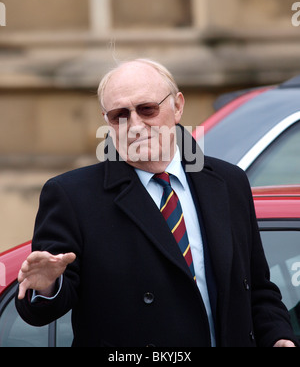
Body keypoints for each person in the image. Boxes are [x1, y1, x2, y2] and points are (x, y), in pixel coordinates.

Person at [16, 59, 298, 347]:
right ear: (107, 121)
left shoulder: (229, 182)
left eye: (147, 109)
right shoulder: (72, 195)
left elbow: (259, 289)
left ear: (177, 107)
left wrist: (279, 338)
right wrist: (47, 286)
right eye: (119, 115)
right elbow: (40, 310)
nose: (135, 125)